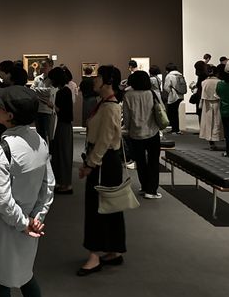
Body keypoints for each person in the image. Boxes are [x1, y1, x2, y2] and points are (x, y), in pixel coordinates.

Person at [0, 86, 55, 297]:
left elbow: (3, 202)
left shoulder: (1, 151)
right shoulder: (39, 141)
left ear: (9, 115)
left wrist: (23, 223)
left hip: (6, 227)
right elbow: (48, 186)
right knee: (26, 274)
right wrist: (37, 218)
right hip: (30, 224)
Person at [77, 65, 126, 276]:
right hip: (104, 162)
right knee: (109, 205)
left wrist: (90, 164)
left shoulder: (110, 107)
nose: (94, 80)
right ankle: (113, 249)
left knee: (97, 207)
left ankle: (95, 255)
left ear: (108, 81)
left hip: (104, 163)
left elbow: (104, 141)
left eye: (98, 77)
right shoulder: (104, 104)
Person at [123, 70, 162, 199]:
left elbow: (126, 117)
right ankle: (151, 190)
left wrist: (129, 128)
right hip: (152, 132)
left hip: (135, 133)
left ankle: (144, 186)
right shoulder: (152, 93)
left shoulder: (128, 95)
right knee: (153, 162)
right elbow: (160, 110)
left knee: (140, 162)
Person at [48, 67, 73, 194]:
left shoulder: (62, 92)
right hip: (64, 125)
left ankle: (65, 184)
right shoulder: (66, 90)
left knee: (62, 154)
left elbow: (62, 111)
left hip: (63, 125)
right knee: (62, 153)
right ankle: (63, 182)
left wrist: (51, 105)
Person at [31, 59, 56, 143]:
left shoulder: (53, 79)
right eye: (41, 65)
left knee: (49, 134)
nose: (42, 67)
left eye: (44, 66)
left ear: (51, 67)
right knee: (40, 134)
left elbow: (50, 91)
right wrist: (43, 95)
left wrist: (37, 92)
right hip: (38, 109)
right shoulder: (37, 78)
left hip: (47, 110)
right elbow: (31, 90)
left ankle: (50, 150)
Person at [199, 65, 222, 150]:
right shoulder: (219, 82)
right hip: (218, 103)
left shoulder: (204, 82)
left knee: (208, 122)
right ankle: (217, 137)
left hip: (207, 104)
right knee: (217, 121)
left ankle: (211, 142)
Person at [162, 63, 187, 134]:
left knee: (172, 113)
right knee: (175, 112)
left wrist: (170, 92)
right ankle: (176, 129)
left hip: (173, 96)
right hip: (180, 95)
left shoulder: (169, 76)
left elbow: (166, 87)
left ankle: (175, 129)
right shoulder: (180, 75)